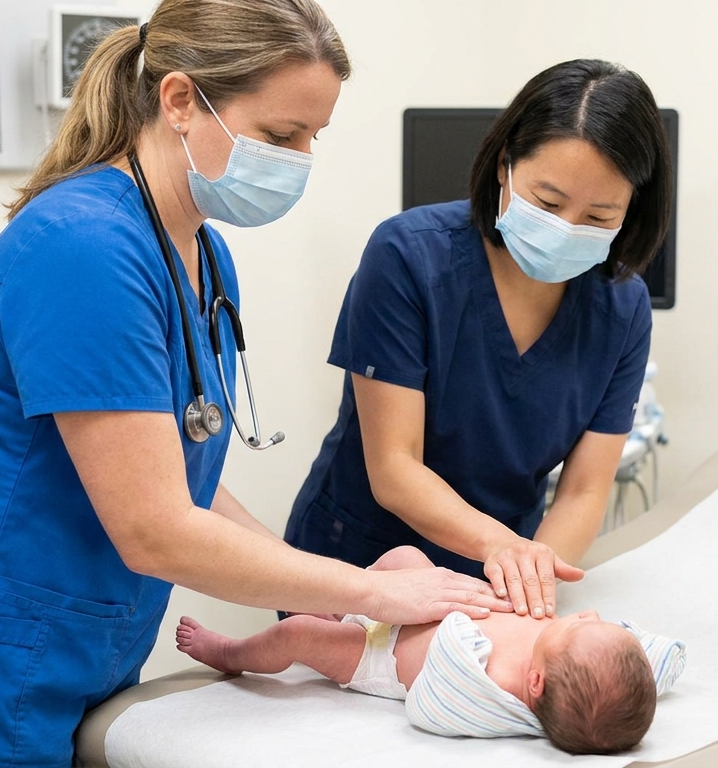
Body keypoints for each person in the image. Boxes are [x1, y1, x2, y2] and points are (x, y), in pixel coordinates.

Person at [0, 2, 507, 766]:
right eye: (282, 135)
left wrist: (317, 591)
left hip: (67, 658)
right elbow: (155, 525)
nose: (300, 159)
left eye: (315, 137)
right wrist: (370, 592)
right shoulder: (85, 250)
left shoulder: (201, 256)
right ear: (179, 100)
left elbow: (177, 473)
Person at [284, 59, 674, 621]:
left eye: (598, 215)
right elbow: (395, 468)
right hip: (362, 574)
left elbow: (585, 491)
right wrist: (505, 552)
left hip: (501, 585)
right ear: (503, 166)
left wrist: (527, 584)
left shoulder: (622, 306)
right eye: (547, 201)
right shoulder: (408, 257)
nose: (567, 226)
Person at [176, 546, 686, 755]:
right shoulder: (584, 671)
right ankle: (345, 601)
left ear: (536, 684)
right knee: (405, 556)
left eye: (576, 628)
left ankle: (230, 651)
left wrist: (457, 627)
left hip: (379, 655)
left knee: (299, 635)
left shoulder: (497, 693)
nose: (585, 615)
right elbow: (629, 667)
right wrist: (648, 657)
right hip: (419, 600)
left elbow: (430, 706)